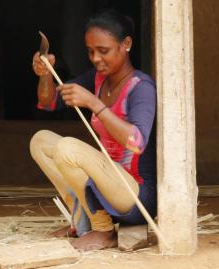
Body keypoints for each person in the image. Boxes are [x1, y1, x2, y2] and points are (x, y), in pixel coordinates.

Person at [29, 9, 156, 251]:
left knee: (68, 148)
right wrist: (45, 74)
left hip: (134, 196)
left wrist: (95, 104)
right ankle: (82, 222)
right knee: (41, 140)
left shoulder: (141, 87)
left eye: (104, 51)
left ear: (126, 44)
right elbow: (49, 102)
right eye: (91, 51)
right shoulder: (97, 79)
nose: (96, 58)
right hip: (104, 187)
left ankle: (103, 229)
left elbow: (137, 142)